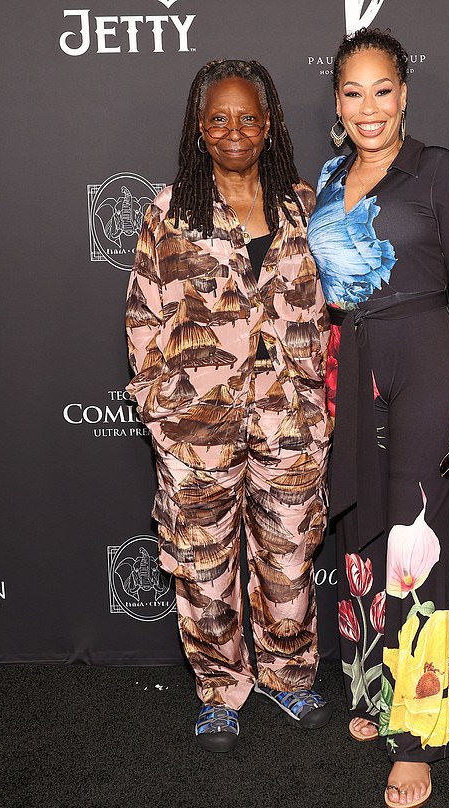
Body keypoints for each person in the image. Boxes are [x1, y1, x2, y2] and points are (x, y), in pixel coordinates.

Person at [125, 59, 332, 752]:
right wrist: (162, 408)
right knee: (203, 566)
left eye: (248, 117)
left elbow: (337, 313)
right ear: (199, 127)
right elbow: (142, 320)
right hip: (195, 434)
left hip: (291, 425)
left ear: (269, 125)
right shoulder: (168, 211)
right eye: (218, 118)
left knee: (290, 559)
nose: (234, 130)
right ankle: (220, 689)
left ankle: (288, 675)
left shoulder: (306, 205)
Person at [307, 29, 449, 808]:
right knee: (360, 533)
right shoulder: (327, 175)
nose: (369, 107)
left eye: (383, 90)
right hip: (348, 367)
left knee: (415, 540)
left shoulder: (438, 169)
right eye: (353, 92)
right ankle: (369, 688)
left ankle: (415, 736)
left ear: (405, 93)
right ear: (337, 101)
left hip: (424, 358)